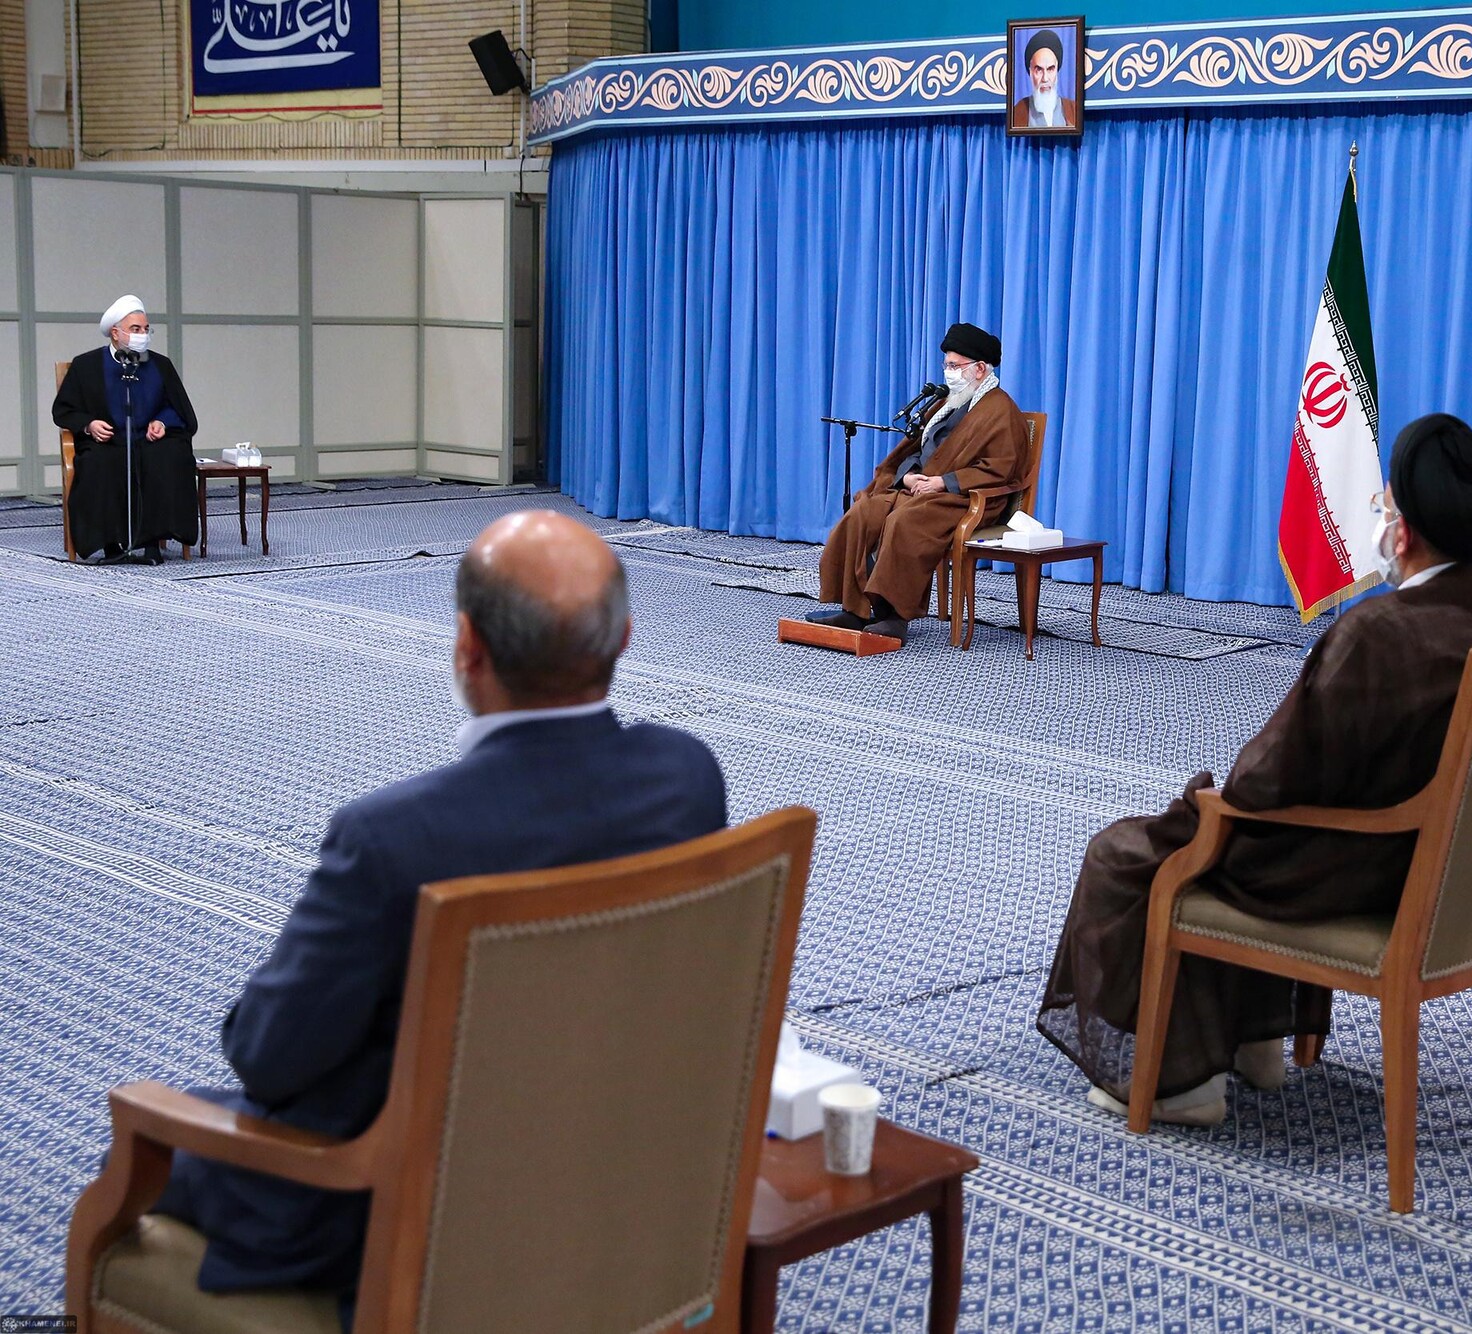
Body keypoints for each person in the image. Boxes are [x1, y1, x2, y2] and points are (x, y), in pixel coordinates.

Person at [143, 510, 728, 1323]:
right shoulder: (687, 776)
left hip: (412, 1210)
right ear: (624, 638)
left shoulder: (392, 838)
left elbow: (268, 1059)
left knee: (153, 1140)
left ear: (467, 646)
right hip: (621, 1166)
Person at [1039, 415, 1472, 1125]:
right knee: (1227, 836)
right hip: (1468, 870)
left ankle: (1180, 1083)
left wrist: (1211, 800)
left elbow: (1269, 779)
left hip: (1366, 871)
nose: (1380, 516)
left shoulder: (1381, 632)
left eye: (1384, 504)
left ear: (1403, 534)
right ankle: (1253, 1040)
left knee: (1137, 853)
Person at [813, 322, 1029, 641]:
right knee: (864, 513)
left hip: (965, 497)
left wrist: (943, 482)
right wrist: (908, 475)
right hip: (922, 489)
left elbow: (1000, 469)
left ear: (981, 368)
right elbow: (918, 449)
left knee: (904, 521)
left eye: (955, 366)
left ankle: (894, 616)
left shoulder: (1001, 410)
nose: (949, 373)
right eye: (947, 366)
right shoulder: (947, 403)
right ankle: (855, 608)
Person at [51, 295, 200, 564]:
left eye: (146, 329)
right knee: (99, 463)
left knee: (169, 457)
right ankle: (110, 544)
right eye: (135, 329)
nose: (142, 335)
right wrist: (89, 425)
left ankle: (152, 543)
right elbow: (64, 410)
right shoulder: (86, 365)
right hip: (107, 441)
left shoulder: (160, 365)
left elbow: (177, 406)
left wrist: (162, 422)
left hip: (148, 440)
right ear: (115, 333)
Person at [1009, 29, 1078, 129]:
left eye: (1050, 69)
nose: (1045, 78)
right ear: (1030, 72)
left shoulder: (1073, 110)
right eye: (1039, 70)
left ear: (1057, 70)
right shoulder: (1017, 113)